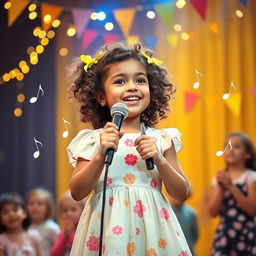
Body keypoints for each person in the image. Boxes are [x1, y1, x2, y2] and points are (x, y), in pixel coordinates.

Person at [66, 41, 192, 255]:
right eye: (120, 81)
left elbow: (182, 193)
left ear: (151, 90)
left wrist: (160, 160)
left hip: (153, 229)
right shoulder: (94, 139)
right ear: (101, 97)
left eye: (140, 80)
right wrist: (99, 156)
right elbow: (77, 192)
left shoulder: (162, 139)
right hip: (106, 230)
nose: (132, 86)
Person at [208, 131, 256, 255]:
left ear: (248, 154)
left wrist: (230, 186)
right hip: (225, 234)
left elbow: (252, 210)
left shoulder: (250, 177)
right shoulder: (218, 179)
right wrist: (221, 187)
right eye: (227, 146)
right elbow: (213, 212)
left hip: (247, 234)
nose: (230, 149)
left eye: (237, 146)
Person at [26, 188, 60, 256]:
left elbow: (59, 250)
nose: (34, 206)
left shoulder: (52, 228)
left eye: (39, 203)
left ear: (48, 208)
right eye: (31, 203)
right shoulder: (25, 227)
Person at [50, 190, 84, 256]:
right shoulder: (62, 233)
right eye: (65, 211)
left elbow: (80, 250)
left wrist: (70, 234)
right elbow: (54, 253)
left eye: (73, 209)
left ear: (83, 210)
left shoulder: (84, 230)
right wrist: (65, 237)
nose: (69, 213)